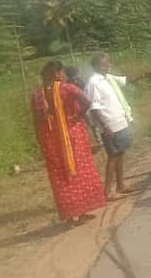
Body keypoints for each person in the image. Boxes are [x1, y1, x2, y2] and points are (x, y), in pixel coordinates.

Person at [30, 60, 106, 223]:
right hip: (73, 134)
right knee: (79, 172)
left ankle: (71, 215)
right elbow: (87, 101)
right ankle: (83, 211)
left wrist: (40, 142)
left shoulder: (37, 95)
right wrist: (77, 116)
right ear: (57, 73)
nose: (63, 75)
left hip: (51, 140)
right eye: (61, 72)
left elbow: (37, 121)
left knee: (61, 177)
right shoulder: (67, 88)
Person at [85, 52, 136, 201]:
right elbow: (94, 108)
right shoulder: (93, 83)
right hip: (109, 125)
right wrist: (105, 127)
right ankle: (107, 191)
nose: (109, 65)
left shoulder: (107, 78)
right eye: (106, 63)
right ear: (97, 66)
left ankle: (120, 185)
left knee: (120, 154)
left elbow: (125, 81)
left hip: (119, 121)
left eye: (108, 62)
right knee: (112, 156)